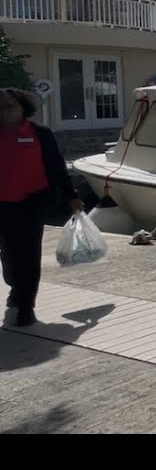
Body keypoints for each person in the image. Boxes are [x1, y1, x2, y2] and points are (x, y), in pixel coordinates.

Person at [1, 87, 82, 327]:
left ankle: (26, 305)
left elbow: (57, 168)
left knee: (29, 254)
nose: (5, 112)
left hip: (31, 202)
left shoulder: (40, 134)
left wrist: (71, 195)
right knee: (8, 254)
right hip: (2, 204)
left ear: (22, 108)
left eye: (10, 107)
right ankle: (15, 287)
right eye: (0, 108)